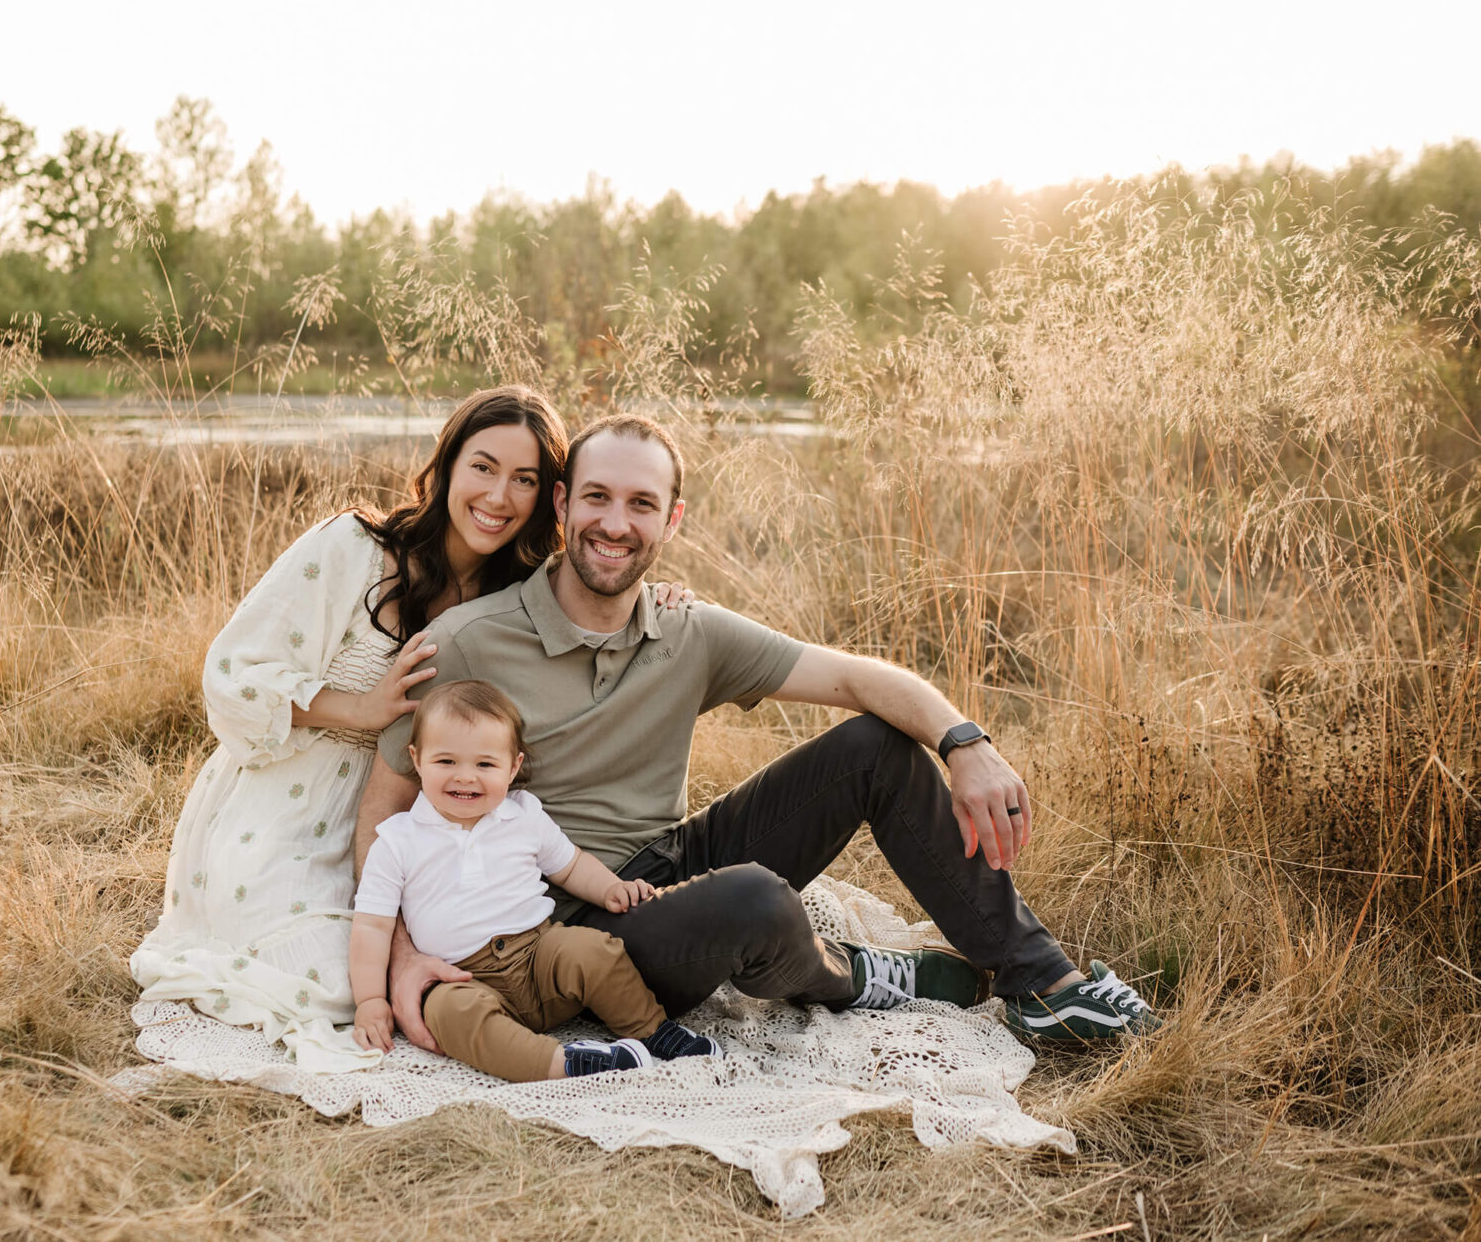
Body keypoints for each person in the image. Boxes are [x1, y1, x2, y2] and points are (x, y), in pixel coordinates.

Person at [356, 413, 1163, 1052]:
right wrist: (400, 959)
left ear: (671, 519)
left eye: (642, 504)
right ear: (563, 504)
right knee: (753, 900)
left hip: (670, 861)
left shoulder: (688, 630)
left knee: (876, 745)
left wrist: (966, 742)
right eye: (596, 496)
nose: (615, 522)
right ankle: (846, 976)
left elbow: (854, 678)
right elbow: (386, 801)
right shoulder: (470, 638)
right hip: (568, 927)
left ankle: (1045, 984)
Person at [128, 386, 570, 1070]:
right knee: (330, 984)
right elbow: (230, 670)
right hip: (283, 807)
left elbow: (605, 605)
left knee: (454, 959)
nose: (499, 495)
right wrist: (357, 708)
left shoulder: (517, 597)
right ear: (448, 464)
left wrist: (668, 597)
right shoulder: (354, 547)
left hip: (401, 825)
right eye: (483, 466)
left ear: (545, 498)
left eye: (525, 479)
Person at [350, 680, 724, 1081]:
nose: (465, 778)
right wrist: (370, 999)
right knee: (447, 1013)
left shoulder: (523, 816)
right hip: (461, 976)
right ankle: (563, 1063)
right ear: (417, 759)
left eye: (485, 764)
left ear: (512, 767)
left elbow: (571, 865)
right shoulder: (397, 839)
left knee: (593, 950)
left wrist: (610, 887)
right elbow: (372, 926)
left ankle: (652, 1030)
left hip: (538, 956)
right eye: (446, 762)